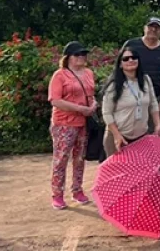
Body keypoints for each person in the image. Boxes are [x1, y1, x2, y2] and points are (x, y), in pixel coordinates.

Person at [48, 42, 97, 210]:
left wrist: (93, 106)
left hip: (83, 122)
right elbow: (55, 100)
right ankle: (57, 194)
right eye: (78, 54)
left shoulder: (89, 73)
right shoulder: (59, 75)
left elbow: (91, 94)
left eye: (84, 54)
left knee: (80, 158)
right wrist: (79, 109)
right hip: (64, 123)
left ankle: (77, 190)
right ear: (68, 57)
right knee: (61, 159)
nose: (82, 57)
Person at [102, 46, 160, 158]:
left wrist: (158, 125)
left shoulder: (145, 80)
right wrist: (117, 135)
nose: (130, 60)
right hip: (119, 137)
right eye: (126, 59)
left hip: (141, 136)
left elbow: (153, 103)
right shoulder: (114, 85)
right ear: (120, 64)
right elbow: (106, 113)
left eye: (134, 57)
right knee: (119, 174)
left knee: (141, 172)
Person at [124, 17, 160, 103]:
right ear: (144, 28)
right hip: (131, 95)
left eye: (157, 27)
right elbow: (119, 67)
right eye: (150, 26)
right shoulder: (131, 45)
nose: (154, 29)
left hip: (155, 98)